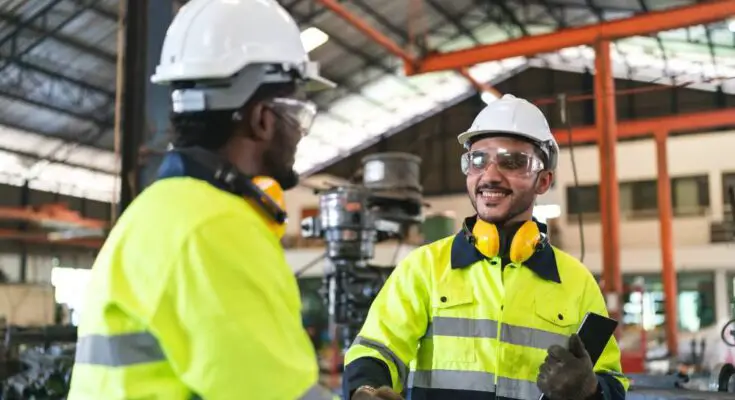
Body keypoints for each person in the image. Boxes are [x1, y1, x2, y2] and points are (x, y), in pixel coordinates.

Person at [66, 0, 337, 399]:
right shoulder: (217, 228)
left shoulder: (157, 209)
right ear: (262, 118)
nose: (299, 133)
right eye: (296, 115)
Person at [342, 94, 628, 400]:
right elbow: (376, 349)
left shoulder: (576, 282)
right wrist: (366, 391)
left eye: (513, 161)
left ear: (543, 181)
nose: (490, 175)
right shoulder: (424, 268)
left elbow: (612, 381)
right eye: (478, 160)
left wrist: (590, 391)